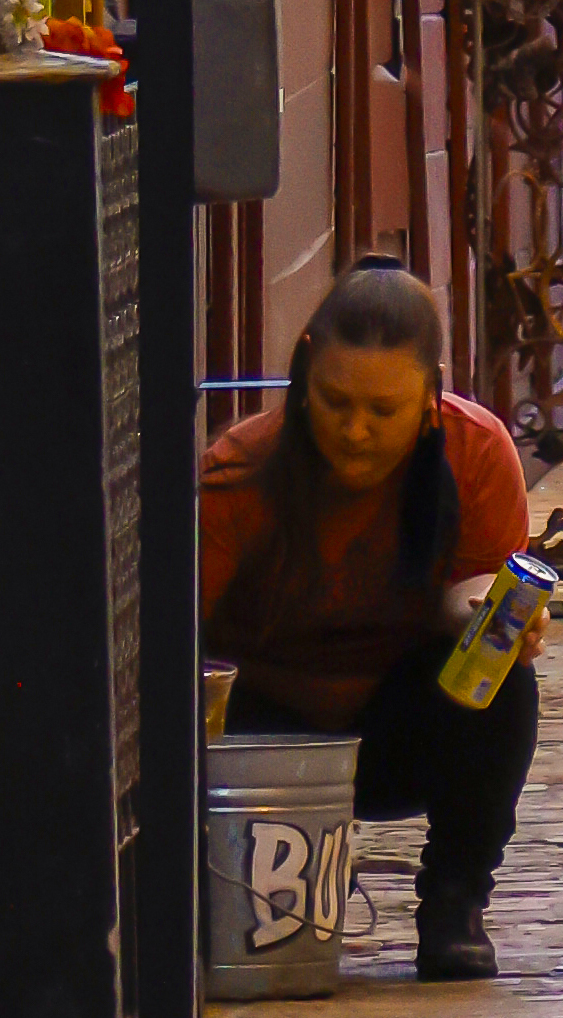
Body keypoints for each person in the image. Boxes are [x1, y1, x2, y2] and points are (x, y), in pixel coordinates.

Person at [201, 263, 542, 980]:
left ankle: (455, 901)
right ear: (301, 375)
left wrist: (481, 611)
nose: (356, 431)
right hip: (264, 743)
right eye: (334, 402)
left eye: (384, 412)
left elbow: (473, 583)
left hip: (401, 731)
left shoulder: (477, 452)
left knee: (504, 680)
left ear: (430, 397)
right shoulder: (235, 475)